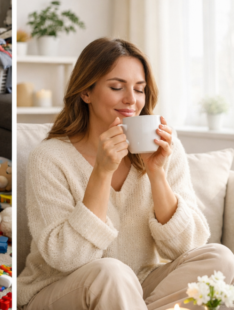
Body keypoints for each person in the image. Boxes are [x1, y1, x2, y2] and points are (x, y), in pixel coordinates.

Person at [18, 38, 234, 310]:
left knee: (220, 258)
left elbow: (186, 247)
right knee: (111, 273)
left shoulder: (165, 148)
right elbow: (66, 258)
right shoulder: (49, 157)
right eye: (117, 87)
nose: (132, 100)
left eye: (140, 89)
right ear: (86, 92)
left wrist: (157, 173)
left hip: (139, 285)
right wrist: (101, 172)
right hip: (61, 288)